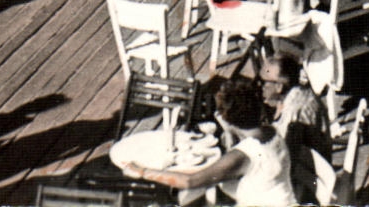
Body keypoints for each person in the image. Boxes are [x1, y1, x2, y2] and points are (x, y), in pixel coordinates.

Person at [122, 77, 296, 206]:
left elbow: (189, 182)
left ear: (227, 118)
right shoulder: (272, 131)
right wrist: (229, 130)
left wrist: (142, 171)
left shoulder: (242, 155)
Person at [260, 52, 328, 204]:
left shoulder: (294, 111)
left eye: (263, 82)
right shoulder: (297, 94)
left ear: (278, 86)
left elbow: (285, 161)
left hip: (310, 182)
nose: (261, 87)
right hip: (308, 165)